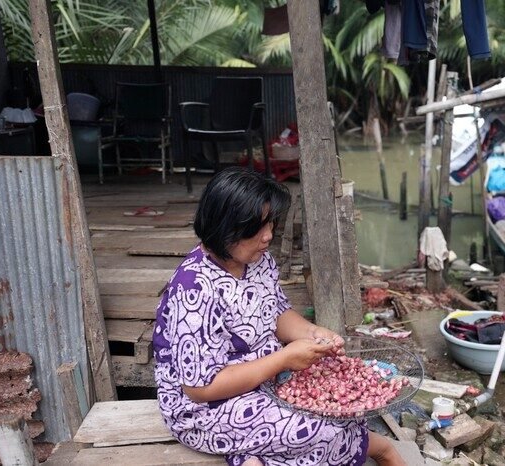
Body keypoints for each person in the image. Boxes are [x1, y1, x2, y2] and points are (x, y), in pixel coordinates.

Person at [153, 167, 403, 466]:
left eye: (271, 223)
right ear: (224, 227)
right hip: (206, 409)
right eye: (256, 228)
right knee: (326, 428)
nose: (268, 236)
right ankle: (381, 449)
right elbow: (200, 389)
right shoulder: (193, 289)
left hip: (262, 380)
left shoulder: (257, 260)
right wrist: (283, 360)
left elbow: (277, 312)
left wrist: (312, 333)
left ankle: (250, 456)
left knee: (347, 403)